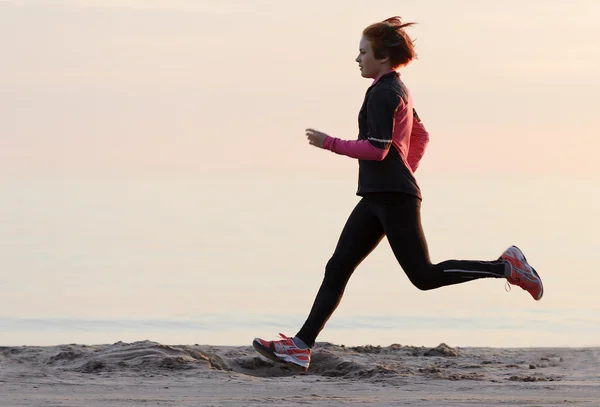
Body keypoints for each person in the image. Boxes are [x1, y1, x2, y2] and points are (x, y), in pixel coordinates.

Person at [252, 16, 543, 371]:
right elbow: (420, 137)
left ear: (383, 57)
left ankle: (505, 266)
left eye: (362, 52)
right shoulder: (395, 90)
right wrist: (404, 171)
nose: (357, 59)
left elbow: (376, 148)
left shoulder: (385, 93)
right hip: (381, 194)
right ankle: (300, 346)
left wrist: (329, 143)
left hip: (392, 196)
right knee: (338, 267)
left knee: (423, 276)